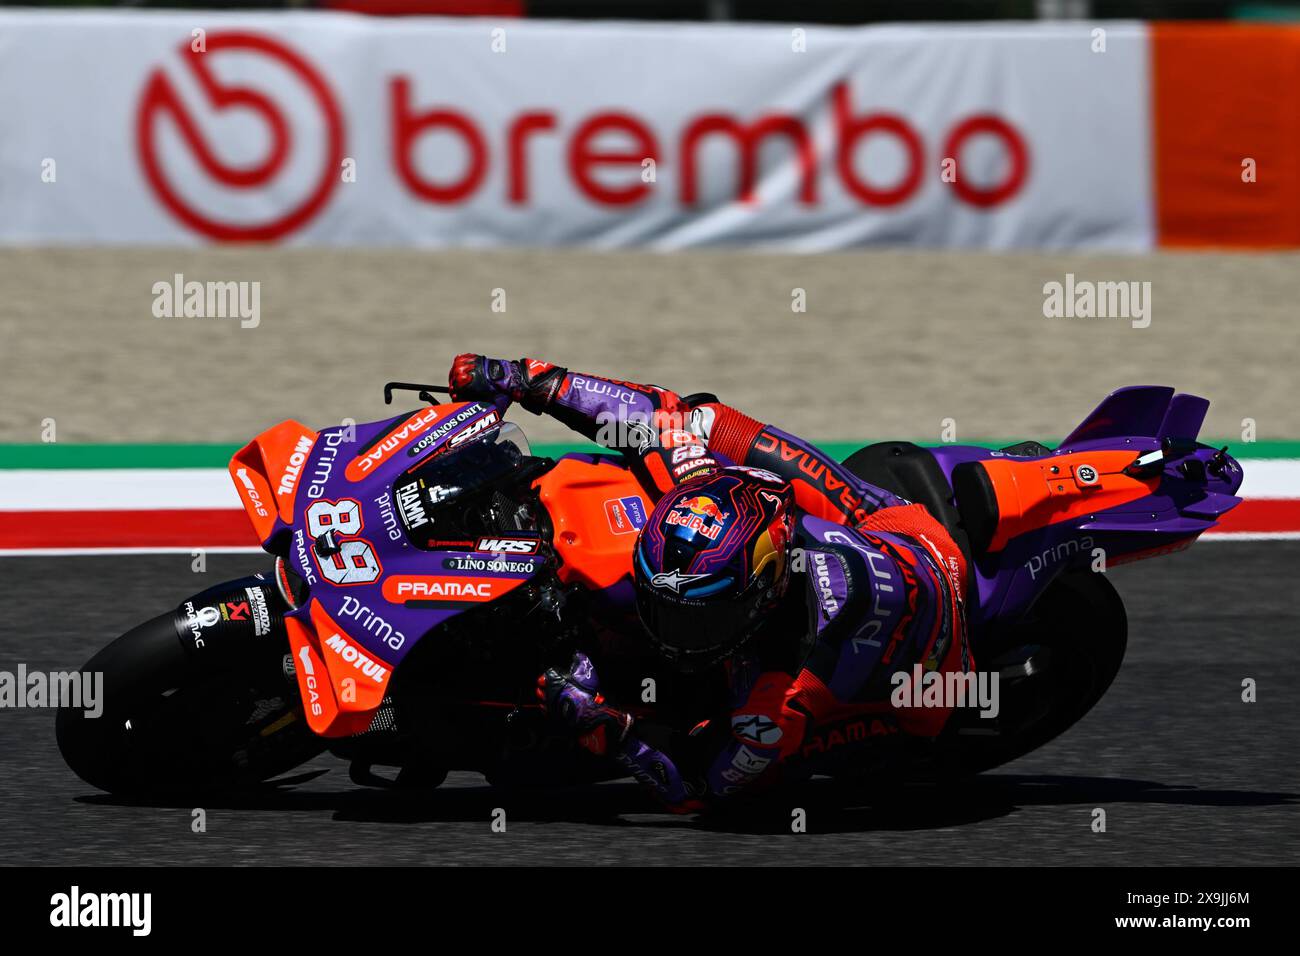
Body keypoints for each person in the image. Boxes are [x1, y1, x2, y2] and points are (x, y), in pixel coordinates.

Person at [449, 354, 973, 811]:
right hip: (878, 534)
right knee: (703, 418)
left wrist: (615, 732)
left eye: (695, 616)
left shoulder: (779, 695)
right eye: (662, 605)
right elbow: (655, 416)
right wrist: (522, 379)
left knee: (786, 754)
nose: (669, 629)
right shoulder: (702, 487)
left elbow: (701, 788)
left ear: (758, 600)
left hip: (924, 673)